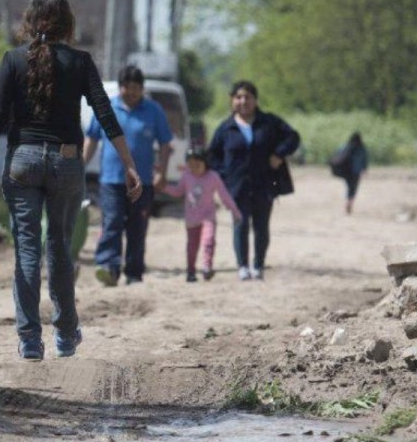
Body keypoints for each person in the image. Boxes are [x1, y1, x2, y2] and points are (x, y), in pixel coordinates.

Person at [0, 0, 142, 361]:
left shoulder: (12, 60)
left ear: (30, 21)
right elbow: (105, 114)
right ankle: (65, 333)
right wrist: (129, 164)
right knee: (59, 247)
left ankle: (30, 339)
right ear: (68, 24)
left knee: (27, 251)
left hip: (22, 162)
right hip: (66, 161)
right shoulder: (80, 62)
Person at [84, 65, 173, 287]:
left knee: (137, 227)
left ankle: (134, 273)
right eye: (127, 87)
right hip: (111, 180)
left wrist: (161, 172)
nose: (131, 92)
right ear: (120, 87)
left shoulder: (153, 110)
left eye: (136, 87)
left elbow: (165, 143)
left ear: (142, 89)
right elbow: (92, 139)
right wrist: (80, 166)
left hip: (142, 182)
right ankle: (108, 267)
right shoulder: (107, 108)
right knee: (111, 223)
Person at [206, 80, 300, 282]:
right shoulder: (225, 128)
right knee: (240, 225)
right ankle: (242, 267)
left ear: (255, 100)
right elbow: (212, 156)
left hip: (264, 184)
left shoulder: (269, 123)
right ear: (232, 100)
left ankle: (258, 266)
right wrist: (225, 176)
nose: (243, 101)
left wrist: (279, 154)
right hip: (237, 186)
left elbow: (293, 137)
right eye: (238, 97)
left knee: (261, 226)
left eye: (247, 97)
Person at [161, 146, 242, 282]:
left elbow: (224, 195)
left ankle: (206, 267)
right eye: (190, 165)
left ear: (205, 162)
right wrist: (164, 187)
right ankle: (191, 271)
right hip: (191, 219)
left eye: (197, 164)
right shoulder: (187, 176)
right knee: (192, 246)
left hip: (208, 216)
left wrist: (234, 211)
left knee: (208, 240)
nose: (194, 168)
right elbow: (178, 191)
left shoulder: (213, 177)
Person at [329, 132, 369, 214]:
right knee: (353, 188)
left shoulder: (345, 146)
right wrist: (364, 169)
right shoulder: (362, 148)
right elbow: (364, 160)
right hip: (356, 172)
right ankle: (350, 201)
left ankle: (348, 201)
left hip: (346, 171)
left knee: (349, 186)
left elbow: (337, 155)